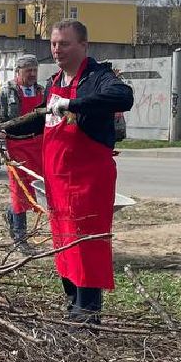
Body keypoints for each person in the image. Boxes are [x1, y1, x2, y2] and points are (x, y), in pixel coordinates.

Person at [42, 20, 133, 326]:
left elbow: (124, 97)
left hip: (87, 181)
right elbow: (41, 120)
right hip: (57, 181)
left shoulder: (99, 77)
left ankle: (88, 313)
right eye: (54, 43)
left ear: (83, 46)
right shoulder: (53, 81)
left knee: (86, 244)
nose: (57, 50)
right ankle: (72, 305)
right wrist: (5, 133)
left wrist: (74, 104)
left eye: (64, 44)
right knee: (64, 244)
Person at [0, 54, 46, 248]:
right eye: (28, 70)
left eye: (35, 70)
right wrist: (0, 149)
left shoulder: (41, 91)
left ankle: (11, 213)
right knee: (19, 189)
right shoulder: (8, 91)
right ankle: (21, 238)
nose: (32, 74)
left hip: (38, 146)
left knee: (37, 188)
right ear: (18, 72)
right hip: (16, 147)